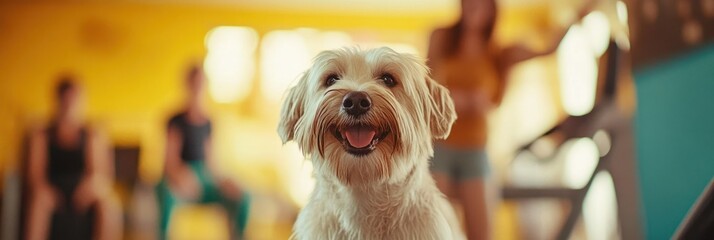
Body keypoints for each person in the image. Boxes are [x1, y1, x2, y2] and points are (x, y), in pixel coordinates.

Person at [427, 0, 597, 239]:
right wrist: (458, 101)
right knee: (433, 229)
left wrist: (576, 17)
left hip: (475, 150)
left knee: (482, 232)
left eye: (481, 3)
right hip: (439, 147)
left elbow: (548, 49)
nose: (474, 6)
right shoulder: (440, 37)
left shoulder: (500, 53)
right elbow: (428, 86)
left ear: (491, 11)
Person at [155, 65, 250, 240]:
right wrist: (182, 176)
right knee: (166, 194)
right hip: (178, 177)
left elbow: (211, 163)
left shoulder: (208, 122)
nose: (197, 88)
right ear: (187, 85)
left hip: (203, 177)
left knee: (243, 194)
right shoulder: (175, 120)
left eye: (201, 84)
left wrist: (223, 180)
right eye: (194, 83)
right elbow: (170, 162)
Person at [25, 76, 122, 240]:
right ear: (57, 101)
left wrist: (89, 189)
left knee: (108, 206)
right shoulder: (41, 134)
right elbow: (35, 173)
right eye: (66, 101)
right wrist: (46, 192)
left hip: (82, 188)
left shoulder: (92, 134)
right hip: (52, 188)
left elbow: (101, 174)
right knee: (39, 202)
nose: (70, 106)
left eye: (75, 100)